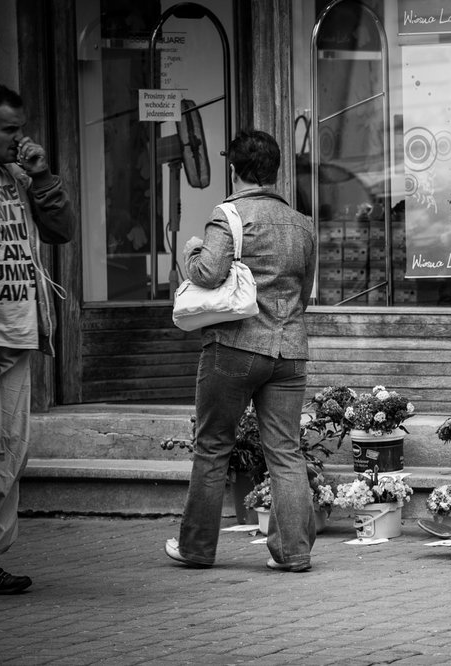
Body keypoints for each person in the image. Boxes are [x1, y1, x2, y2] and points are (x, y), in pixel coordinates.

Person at [165, 129, 317, 572]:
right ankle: (294, 553)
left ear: (233, 169)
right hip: (289, 349)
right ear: (275, 172)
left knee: (212, 445)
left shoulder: (228, 214)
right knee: (286, 451)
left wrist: (193, 249)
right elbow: (304, 292)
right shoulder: (302, 224)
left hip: (234, 346)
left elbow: (209, 273)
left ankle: (196, 548)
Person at [0, 83, 75, 594]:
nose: (18, 138)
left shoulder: (20, 178)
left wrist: (43, 175)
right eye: (7, 129)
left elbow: (62, 230)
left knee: (11, 451)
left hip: (19, 335)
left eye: (20, 128)